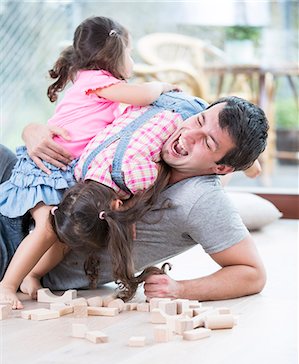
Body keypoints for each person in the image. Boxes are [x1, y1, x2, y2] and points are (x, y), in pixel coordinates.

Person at [0, 94, 268, 308]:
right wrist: (32, 131)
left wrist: (181, 290)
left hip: (22, 252)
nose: (188, 135)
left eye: (207, 143)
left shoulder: (199, 200)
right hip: (26, 189)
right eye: (199, 121)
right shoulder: (168, 124)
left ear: (221, 168)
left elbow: (252, 273)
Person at [0, 15, 179, 309]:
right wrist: (161, 85)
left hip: (62, 170)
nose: (131, 61)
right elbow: (144, 95)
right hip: (47, 170)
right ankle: (6, 285)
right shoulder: (97, 81)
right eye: (130, 53)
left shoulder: (94, 84)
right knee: (46, 226)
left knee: (59, 235)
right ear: (115, 53)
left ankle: (31, 275)